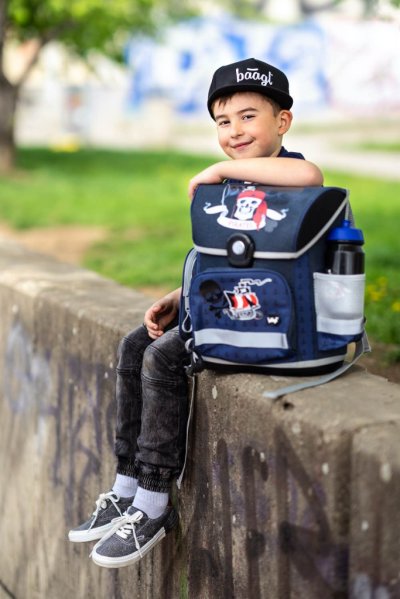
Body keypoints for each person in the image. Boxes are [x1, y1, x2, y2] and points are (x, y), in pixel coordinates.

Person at [68, 57, 323, 568]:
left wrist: (221, 169)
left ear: (283, 122)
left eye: (248, 117)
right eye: (223, 122)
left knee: (162, 358)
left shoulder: (290, 176)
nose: (234, 132)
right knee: (134, 344)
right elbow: (223, 262)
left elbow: (309, 174)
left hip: (270, 321)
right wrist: (178, 297)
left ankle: (153, 501)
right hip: (228, 305)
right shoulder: (232, 190)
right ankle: (126, 484)